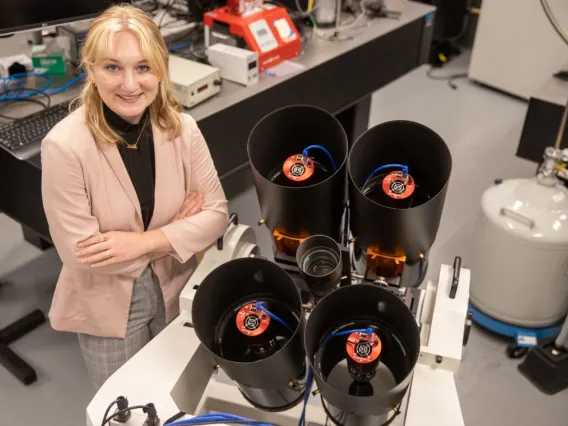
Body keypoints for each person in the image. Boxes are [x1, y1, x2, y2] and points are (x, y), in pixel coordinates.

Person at [40, 3, 229, 389]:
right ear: (90, 69)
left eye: (143, 67)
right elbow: (82, 253)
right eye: (112, 67)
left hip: (176, 285)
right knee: (127, 404)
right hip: (106, 303)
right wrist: (177, 229)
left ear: (160, 69)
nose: (129, 84)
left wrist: (141, 242)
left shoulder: (183, 128)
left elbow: (217, 216)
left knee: (181, 391)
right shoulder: (63, 146)